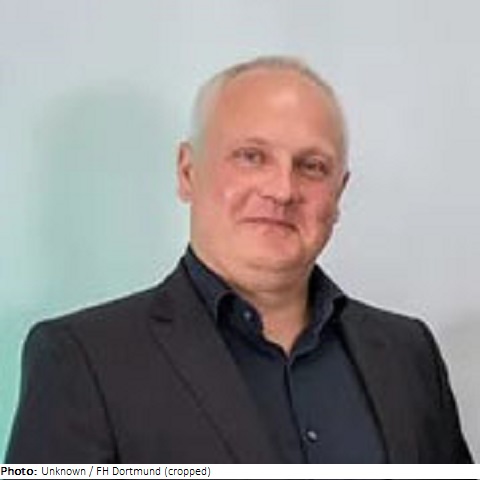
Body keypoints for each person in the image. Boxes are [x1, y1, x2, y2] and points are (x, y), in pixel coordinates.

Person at [7, 56, 472, 464]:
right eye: (252, 157)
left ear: (339, 192)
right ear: (187, 171)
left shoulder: (409, 353)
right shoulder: (83, 359)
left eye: (312, 166)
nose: (282, 190)